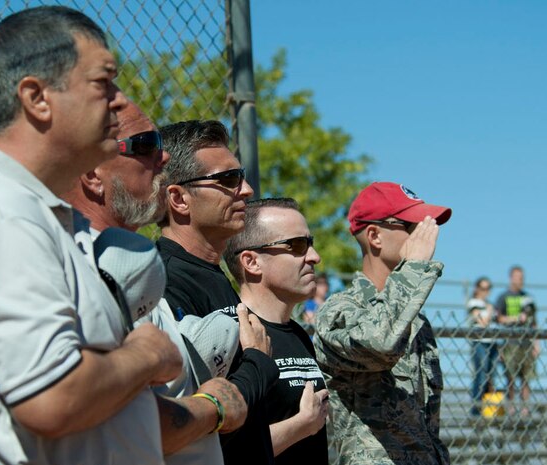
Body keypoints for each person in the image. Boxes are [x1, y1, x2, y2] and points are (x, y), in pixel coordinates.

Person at [0, 7, 183, 464]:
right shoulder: (0, 216)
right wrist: (148, 355)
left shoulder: (30, 212)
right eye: (103, 83)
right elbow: (54, 398)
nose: (117, 101)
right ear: (36, 97)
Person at [64, 100, 250, 464]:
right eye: (145, 146)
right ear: (92, 174)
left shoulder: (134, 271)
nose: (162, 159)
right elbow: (114, 420)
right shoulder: (76, 272)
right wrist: (215, 406)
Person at [158, 120, 280, 465]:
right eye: (227, 180)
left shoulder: (212, 274)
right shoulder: (164, 280)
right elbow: (190, 408)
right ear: (179, 199)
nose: (246, 190)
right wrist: (259, 363)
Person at [313, 182, 452, 465]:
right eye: (412, 226)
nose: (426, 235)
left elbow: (427, 427)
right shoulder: (340, 310)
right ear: (374, 236)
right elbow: (380, 343)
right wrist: (414, 267)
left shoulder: (416, 321)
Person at [224, 197, 330, 464]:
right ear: (251, 262)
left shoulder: (298, 334)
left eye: (311, 244)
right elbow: (222, 451)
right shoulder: (229, 334)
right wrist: (302, 425)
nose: (314, 257)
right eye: (296, 246)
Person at [495, 265, 539, 416]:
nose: (520, 281)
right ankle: (511, 407)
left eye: (522, 278)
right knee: (511, 377)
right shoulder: (503, 297)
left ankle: (525, 408)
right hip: (510, 342)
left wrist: (536, 344)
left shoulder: (528, 298)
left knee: (526, 378)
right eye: (518, 277)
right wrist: (516, 318)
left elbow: (534, 323)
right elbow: (499, 319)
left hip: (526, 342)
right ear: (511, 278)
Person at [466, 277, 499, 416]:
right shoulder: (474, 303)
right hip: (480, 342)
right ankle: (476, 409)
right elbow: (483, 322)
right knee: (481, 374)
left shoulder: (488, 304)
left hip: (492, 342)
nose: (486, 292)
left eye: (488, 288)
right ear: (477, 289)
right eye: (483, 288)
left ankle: (487, 409)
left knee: (491, 376)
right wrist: (490, 310)